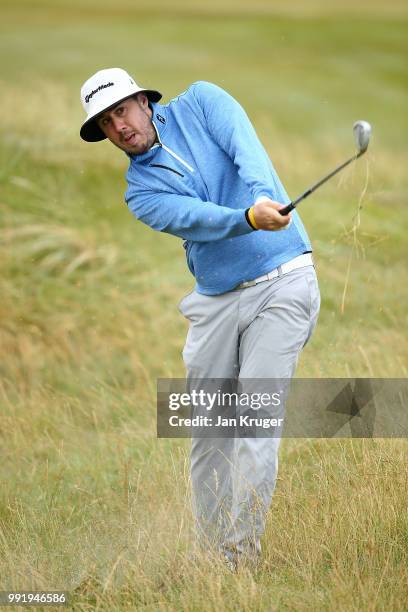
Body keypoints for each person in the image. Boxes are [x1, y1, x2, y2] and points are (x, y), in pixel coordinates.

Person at [79, 67, 320, 569]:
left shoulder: (203, 101)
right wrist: (246, 218)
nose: (119, 127)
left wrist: (259, 195)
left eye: (121, 110)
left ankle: (240, 559)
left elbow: (245, 147)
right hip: (214, 302)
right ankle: (211, 558)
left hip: (284, 278)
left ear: (143, 100)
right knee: (209, 430)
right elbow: (197, 220)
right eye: (105, 123)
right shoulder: (139, 194)